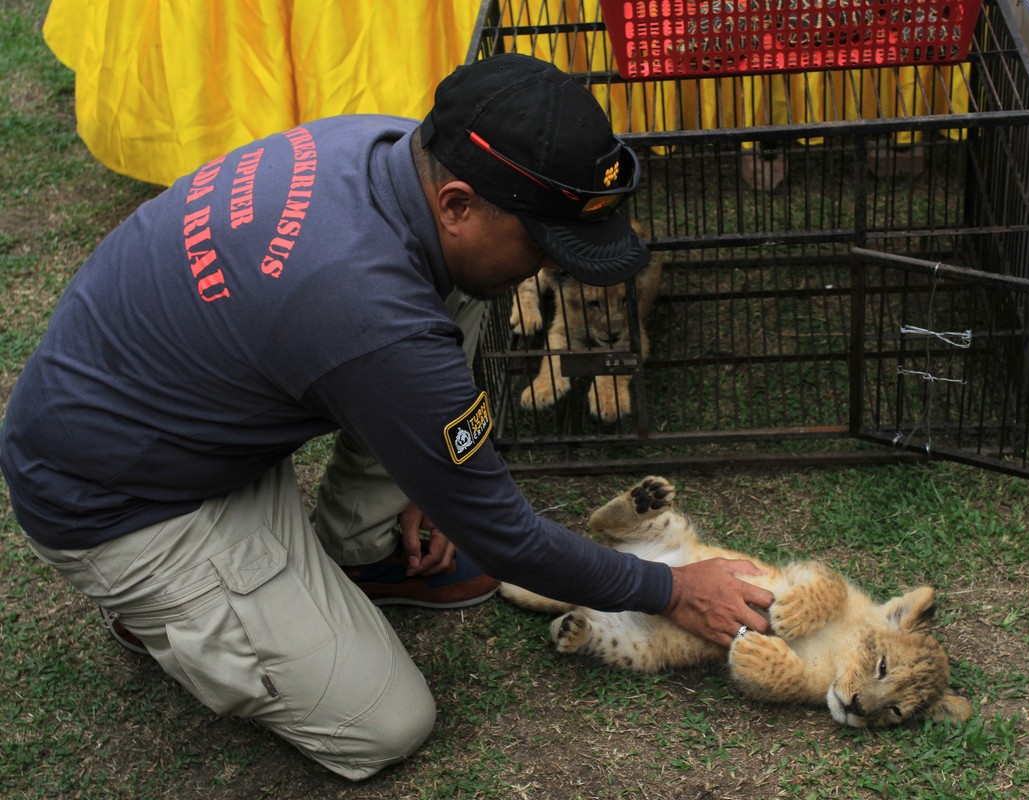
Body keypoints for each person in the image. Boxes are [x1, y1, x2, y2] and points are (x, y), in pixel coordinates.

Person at [0, 53, 775, 781]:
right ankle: (162, 617)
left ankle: (356, 549)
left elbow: (392, 334)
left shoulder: (386, 151)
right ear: (458, 202)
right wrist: (669, 590)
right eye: (544, 244)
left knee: (459, 292)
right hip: (124, 504)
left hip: (183, 410)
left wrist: (421, 472)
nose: (553, 267)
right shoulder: (368, 311)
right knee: (386, 725)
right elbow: (503, 536)